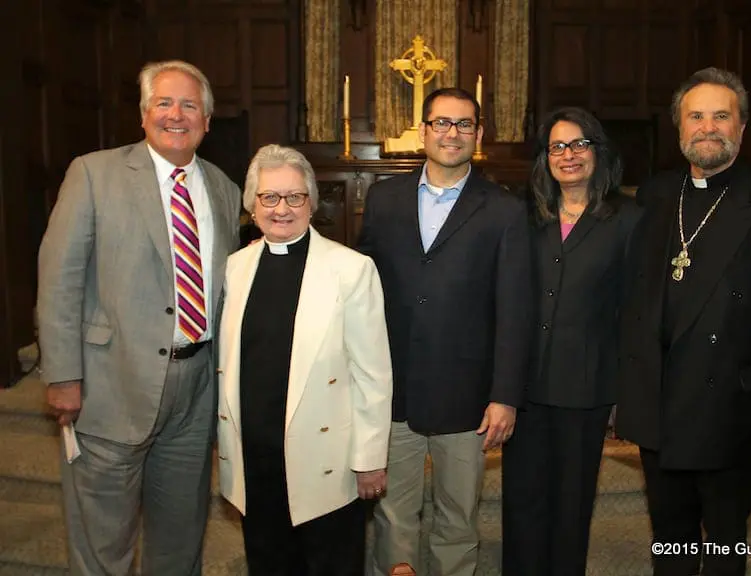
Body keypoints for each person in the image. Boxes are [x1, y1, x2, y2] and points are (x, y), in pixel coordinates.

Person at [616, 67, 751, 575]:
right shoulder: (655, 195)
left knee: (726, 541)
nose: (708, 127)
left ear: (742, 128)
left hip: (732, 407)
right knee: (669, 535)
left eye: (721, 116)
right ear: (679, 128)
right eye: (696, 116)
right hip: (661, 403)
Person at [37, 60, 241, 575]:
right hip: (111, 383)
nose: (177, 115)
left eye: (190, 105)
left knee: (180, 537)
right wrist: (63, 375)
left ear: (208, 120)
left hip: (195, 390)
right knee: (104, 541)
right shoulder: (94, 172)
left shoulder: (223, 187)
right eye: (164, 103)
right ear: (143, 114)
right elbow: (59, 278)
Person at [358, 87, 533, 576]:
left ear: (478, 134)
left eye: (463, 124)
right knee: (394, 513)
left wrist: (505, 395)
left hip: (468, 396)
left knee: (458, 517)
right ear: (424, 130)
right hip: (395, 389)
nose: (451, 133)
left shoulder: (503, 210)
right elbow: (362, 288)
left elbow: (514, 310)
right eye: (441, 123)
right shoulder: (383, 198)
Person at [216, 144, 392, 575]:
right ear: (251, 205)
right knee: (268, 564)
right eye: (269, 197)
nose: (281, 208)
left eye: (294, 196)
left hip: (325, 459)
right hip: (256, 457)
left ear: (312, 203)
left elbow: (373, 374)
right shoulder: (235, 268)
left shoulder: (350, 269)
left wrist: (369, 459)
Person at [501, 107, 642, 575]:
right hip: (525, 388)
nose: (568, 155)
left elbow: (634, 311)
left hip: (586, 387)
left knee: (570, 506)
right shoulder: (524, 217)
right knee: (521, 503)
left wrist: (627, 390)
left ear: (598, 152)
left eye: (579, 144)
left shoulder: (628, 219)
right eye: (557, 146)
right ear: (545, 158)